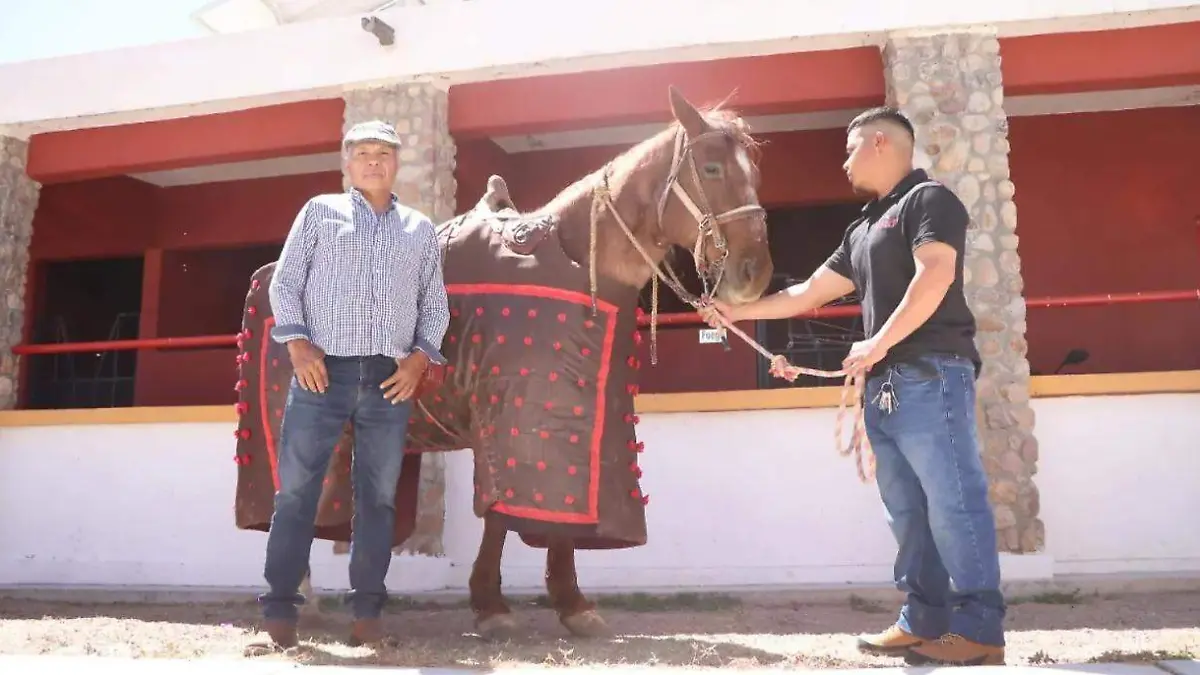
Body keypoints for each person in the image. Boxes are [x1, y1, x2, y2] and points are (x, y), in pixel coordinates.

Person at [700, 107, 1006, 666]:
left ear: (881, 142)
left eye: (850, 148)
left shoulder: (930, 200)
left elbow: (935, 273)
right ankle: (924, 620)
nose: (843, 160)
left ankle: (981, 629)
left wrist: (877, 342)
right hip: (885, 386)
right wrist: (735, 313)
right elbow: (810, 292)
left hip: (930, 373)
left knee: (953, 503)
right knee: (907, 510)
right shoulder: (863, 226)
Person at [260, 120, 450, 648]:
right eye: (362, 152)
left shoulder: (419, 229)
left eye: (383, 153)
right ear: (347, 163)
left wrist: (417, 360)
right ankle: (279, 617)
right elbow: (287, 282)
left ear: (396, 163)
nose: (373, 161)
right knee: (296, 492)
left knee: (378, 497)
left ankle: (367, 618)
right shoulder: (320, 212)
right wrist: (299, 347)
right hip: (323, 373)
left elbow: (434, 304)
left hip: (390, 379)